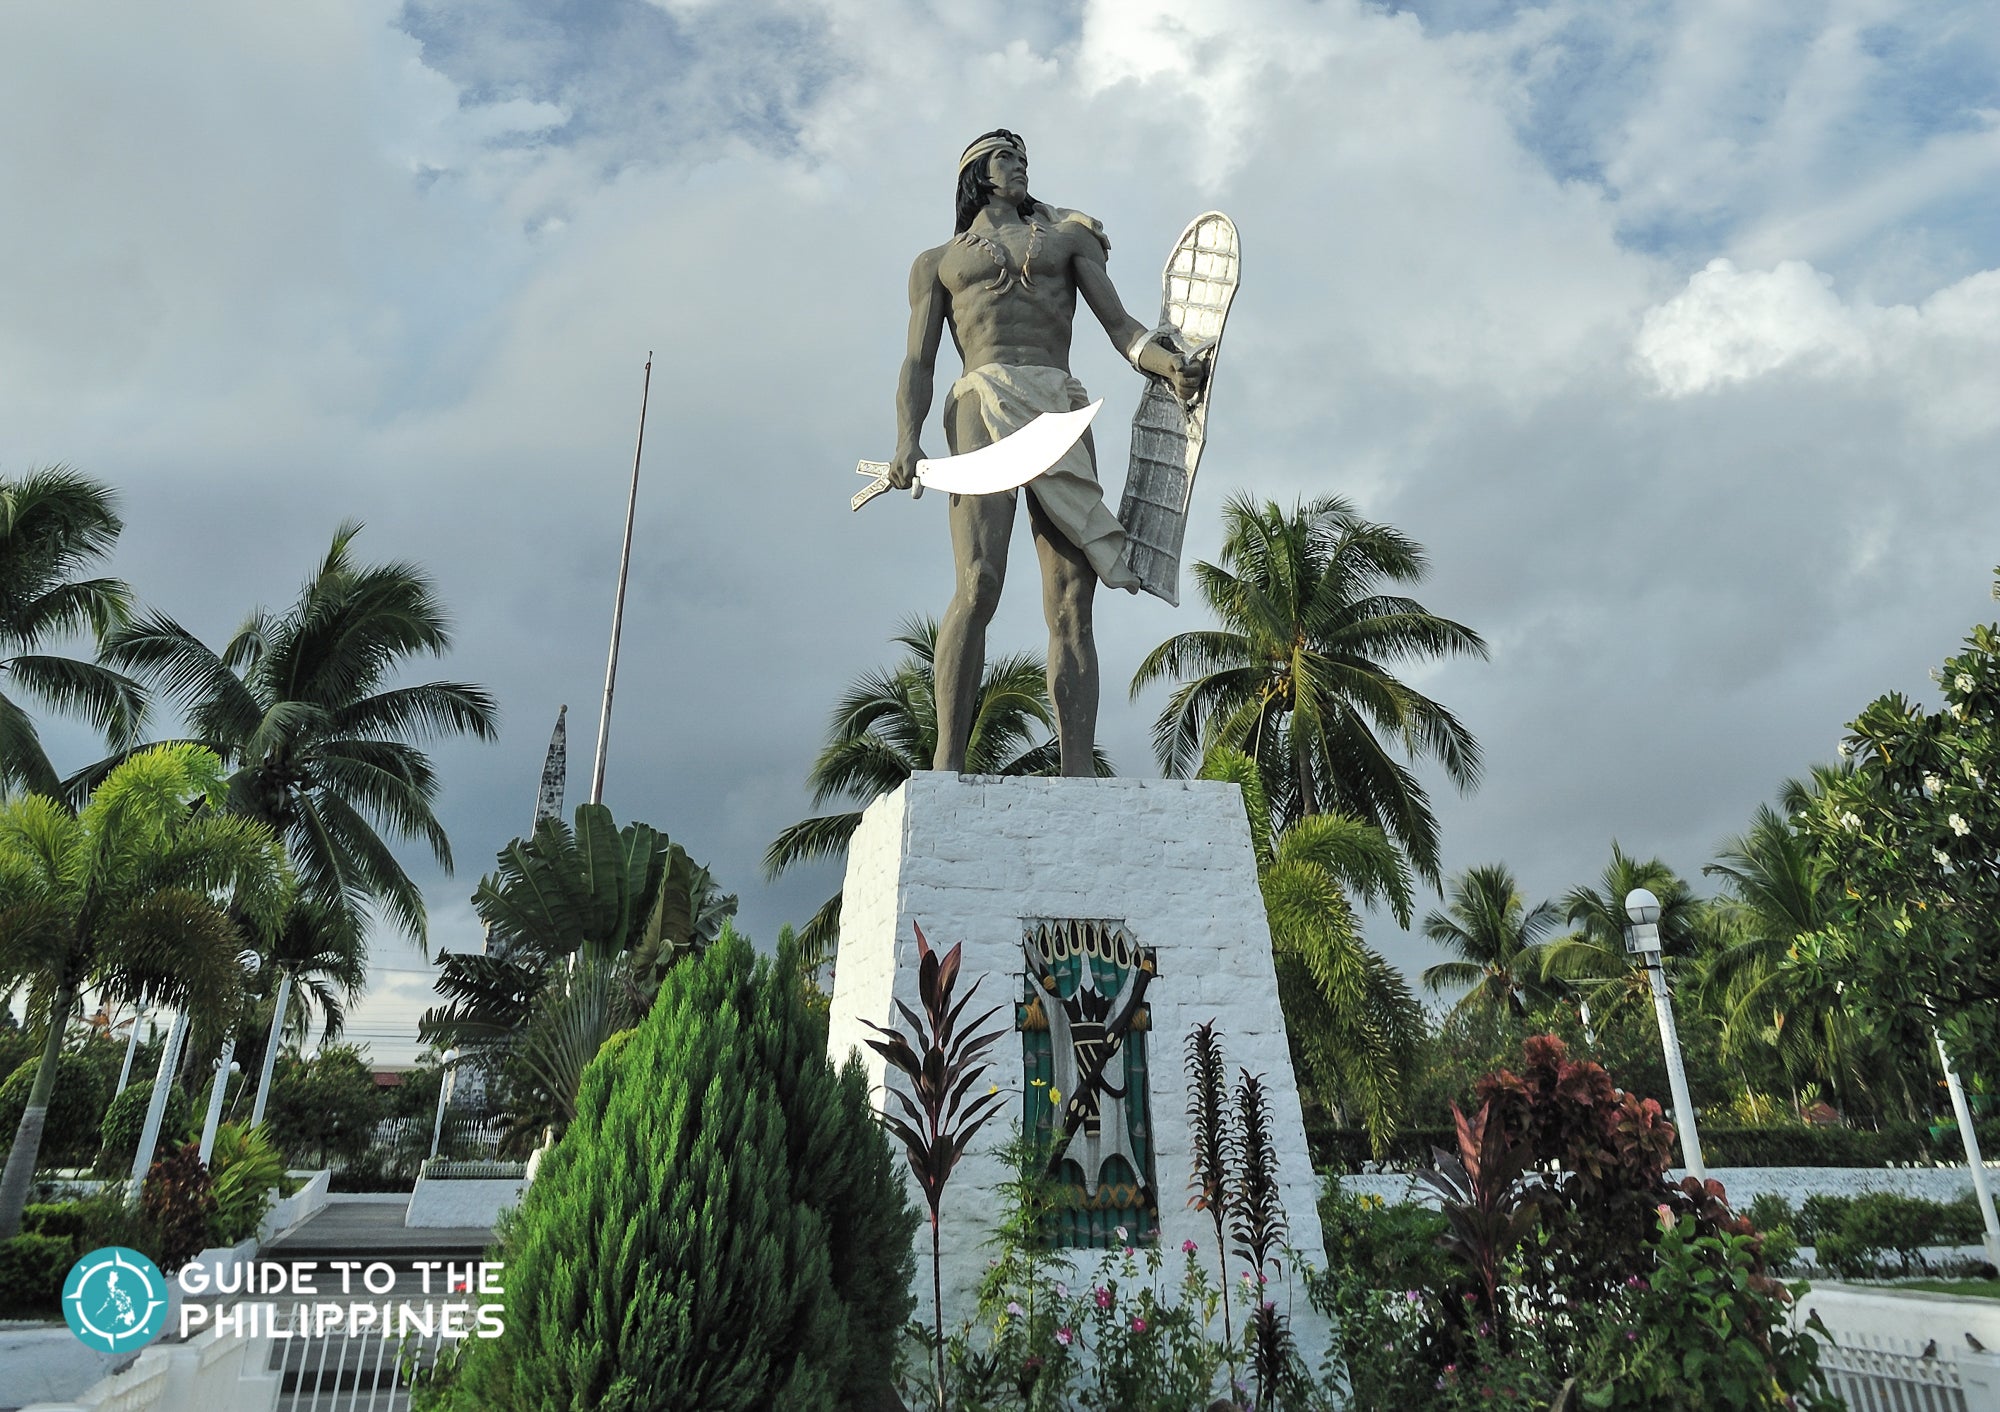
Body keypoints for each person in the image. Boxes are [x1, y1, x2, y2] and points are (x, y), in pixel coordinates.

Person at [889, 129, 1205, 777]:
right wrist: (906, 438)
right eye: (1007, 158)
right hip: (982, 397)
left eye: (1025, 159)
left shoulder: (1068, 240)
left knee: (1071, 598)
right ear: (977, 172)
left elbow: (1121, 328)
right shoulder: (938, 262)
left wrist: (1166, 366)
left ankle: (1076, 766)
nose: (1020, 168)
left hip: (1058, 403)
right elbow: (918, 361)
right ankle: (947, 762)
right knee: (978, 583)